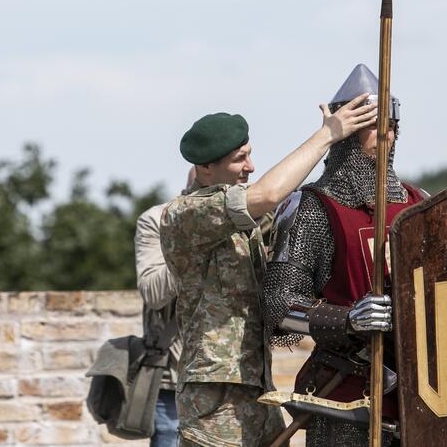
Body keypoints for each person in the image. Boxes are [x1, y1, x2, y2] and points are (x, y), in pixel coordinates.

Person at [159, 94, 377, 447]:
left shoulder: (242, 224)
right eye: (239, 159)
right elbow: (269, 194)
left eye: (249, 154)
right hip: (215, 397)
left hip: (256, 384)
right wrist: (327, 136)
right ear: (204, 169)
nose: (250, 167)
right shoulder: (185, 215)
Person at [262, 64, 425, 447]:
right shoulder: (313, 207)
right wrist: (349, 319)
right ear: (346, 129)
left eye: (390, 123)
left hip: (421, 400)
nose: (385, 132)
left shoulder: (422, 206)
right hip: (347, 398)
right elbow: (278, 305)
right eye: (370, 123)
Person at [135, 170, 197, 446]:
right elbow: (153, 293)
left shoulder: (251, 219)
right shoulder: (157, 219)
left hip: (234, 381)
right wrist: (196, 238)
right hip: (174, 380)